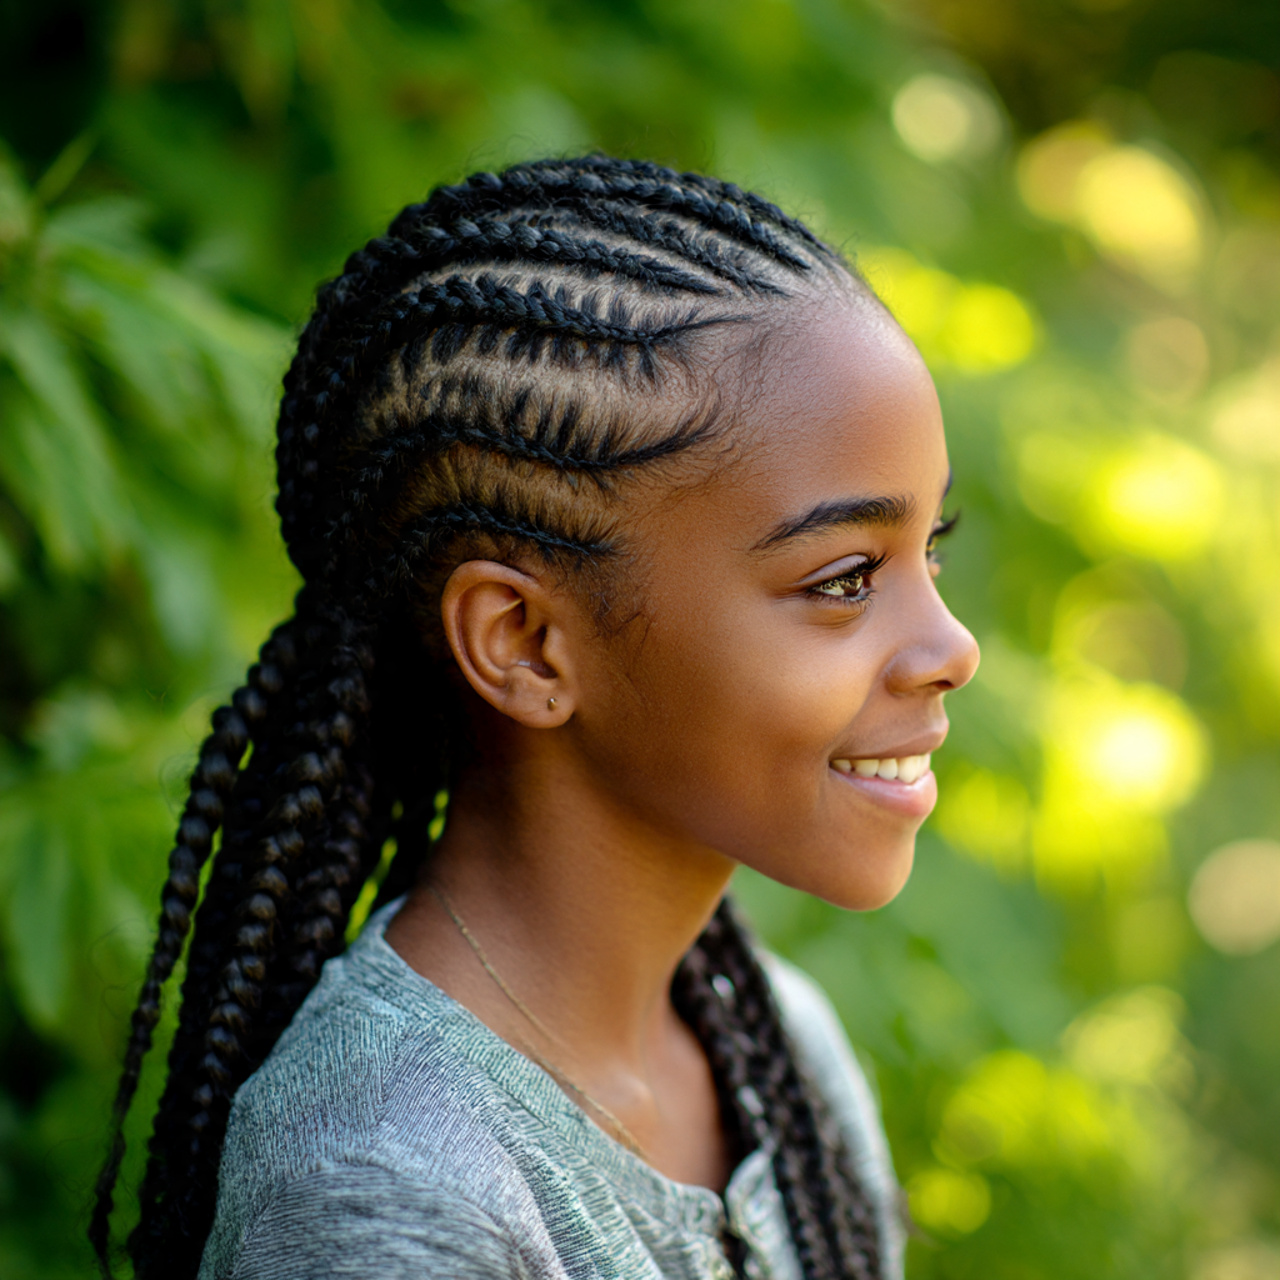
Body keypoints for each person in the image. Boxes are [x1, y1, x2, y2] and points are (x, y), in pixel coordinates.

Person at [91, 154, 979, 1280]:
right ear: (523, 643)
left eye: (928, 552)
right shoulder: (385, 1181)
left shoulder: (778, 1051)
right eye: (845, 577)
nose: (952, 646)